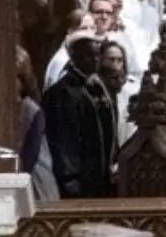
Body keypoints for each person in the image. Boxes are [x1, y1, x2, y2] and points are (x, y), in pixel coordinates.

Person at [43, 29, 117, 198]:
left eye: (97, 55)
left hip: (100, 178)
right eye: (88, 55)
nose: (94, 60)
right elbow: (63, 140)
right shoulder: (63, 93)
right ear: (74, 57)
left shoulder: (98, 87)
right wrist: (70, 181)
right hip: (78, 182)